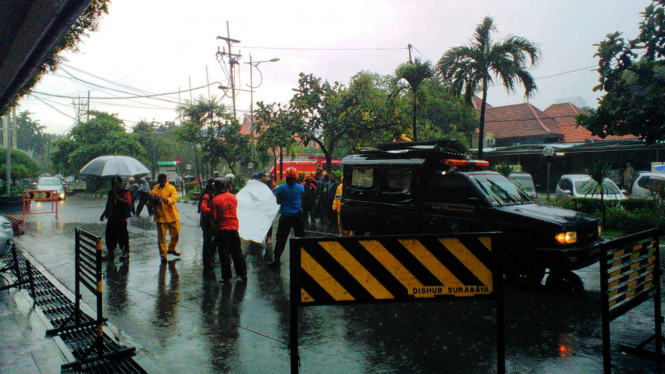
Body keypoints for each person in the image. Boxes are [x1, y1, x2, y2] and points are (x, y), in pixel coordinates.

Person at [267, 167, 305, 268]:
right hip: (297, 215)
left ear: (286, 178)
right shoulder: (301, 188)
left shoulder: (281, 188)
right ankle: (302, 259)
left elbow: (278, 202)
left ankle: (276, 260)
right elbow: (302, 199)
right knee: (300, 237)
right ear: (295, 177)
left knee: (281, 238)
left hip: (285, 217)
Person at [211, 179, 247, 282]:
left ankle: (227, 277)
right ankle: (243, 274)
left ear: (216, 187)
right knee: (237, 252)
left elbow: (214, 217)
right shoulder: (233, 198)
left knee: (224, 253)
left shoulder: (215, 200)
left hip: (222, 229)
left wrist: (216, 227)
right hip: (234, 228)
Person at [151, 173, 181, 263]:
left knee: (176, 232)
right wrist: (155, 201)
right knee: (161, 238)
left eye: (165, 181)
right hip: (160, 217)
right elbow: (149, 202)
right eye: (162, 181)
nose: (164, 182)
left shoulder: (171, 188)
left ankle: (171, 248)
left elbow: (174, 198)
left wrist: (167, 200)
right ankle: (163, 255)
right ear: (159, 181)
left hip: (172, 215)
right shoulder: (154, 191)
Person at [100, 176, 132, 261]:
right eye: (113, 184)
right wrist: (104, 214)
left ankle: (125, 252)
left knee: (123, 237)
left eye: (116, 184)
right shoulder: (111, 193)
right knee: (109, 237)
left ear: (120, 184)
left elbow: (128, 202)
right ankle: (110, 252)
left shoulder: (125, 192)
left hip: (121, 218)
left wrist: (118, 199)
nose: (114, 186)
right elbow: (109, 204)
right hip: (111, 218)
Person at [198, 179, 216, 271]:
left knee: (212, 242)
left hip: (212, 223)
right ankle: (207, 262)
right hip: (207, 223)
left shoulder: (211, 194)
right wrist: (213, 211)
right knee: (207, 243)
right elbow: (203, 208)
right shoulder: (207, 196)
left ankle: (210, 259)